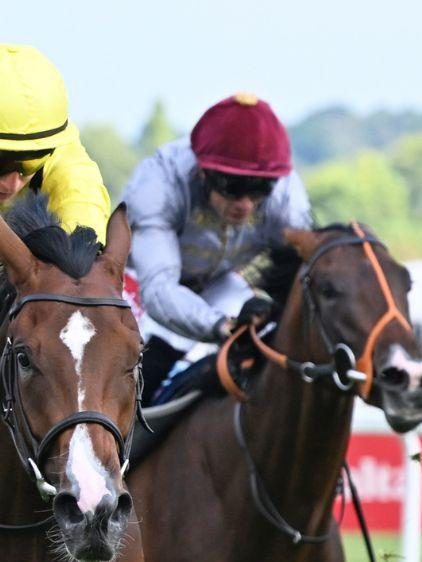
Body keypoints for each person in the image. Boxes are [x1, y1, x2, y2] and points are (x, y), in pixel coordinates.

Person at [124, 93, 312, 402]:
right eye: (233, 187)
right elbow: (159, 289)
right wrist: (220, 325)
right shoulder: (159, 183)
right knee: (148, 371)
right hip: (139, 285)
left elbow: (307, 270)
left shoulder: (285, 194)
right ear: (202, 171)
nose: (246, 204)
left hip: (216, 283)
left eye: (259, 190)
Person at [0, 45, 110, 258]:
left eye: (33, 162)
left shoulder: (75, 183)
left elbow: (78, 279)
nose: (12, 184)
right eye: (1, 163)